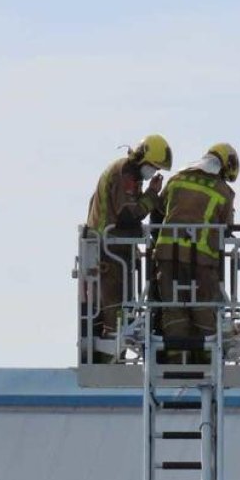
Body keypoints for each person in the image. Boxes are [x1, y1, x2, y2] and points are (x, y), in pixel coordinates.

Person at [85, 134, 172, 362]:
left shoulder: (129, 174)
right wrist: (153, 195)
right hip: (109, 252)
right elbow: (129, 214)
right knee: (115, 317)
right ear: (143, 159)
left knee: (121, 314)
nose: (153, 172)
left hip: (114, 252)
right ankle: (109, 368)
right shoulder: (125, 173)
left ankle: (115, 363)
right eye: (153, 167)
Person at [153, 143, 239, 364]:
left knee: (172, 309)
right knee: (203, 310)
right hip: (201, 261)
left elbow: (158, 211)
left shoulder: (177, 179)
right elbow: (227, 228)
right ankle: (206, 359)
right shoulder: (223, 191)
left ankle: (176, 358)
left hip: (167, 256)